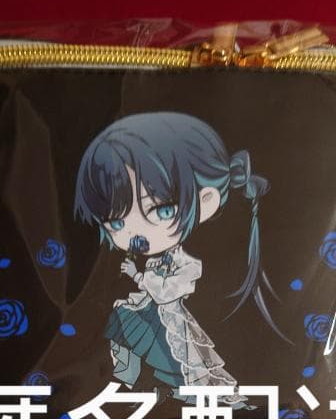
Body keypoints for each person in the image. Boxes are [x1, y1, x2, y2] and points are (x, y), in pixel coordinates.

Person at [74, 112, 282, 398]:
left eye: (162, 211)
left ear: (206, 201)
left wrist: (137, 275)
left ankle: (168, 393)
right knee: (124, 324)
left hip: (167, 318)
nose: (135, 232)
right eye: (116, 223)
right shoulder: (160, 258)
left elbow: (163, 294)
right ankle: (133, 387)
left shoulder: (188, 265)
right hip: (150, 312)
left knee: (181, 361)